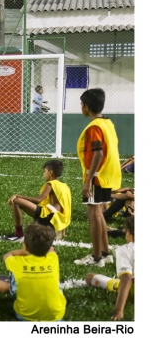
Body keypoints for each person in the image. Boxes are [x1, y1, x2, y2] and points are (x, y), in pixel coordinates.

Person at [74, 88, 121, 267]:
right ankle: (105, 253)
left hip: (96, 177)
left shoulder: (94, 127)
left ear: (86, 106)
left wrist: (88, 180)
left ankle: (96, 257)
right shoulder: (107, 122)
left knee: (93, 214)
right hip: (107, 175)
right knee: (99, 214)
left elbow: (98, 154)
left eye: (81, 104)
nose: (81, 108)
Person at [3, 222, 66, 321]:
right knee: (58, 286)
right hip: (56, 315)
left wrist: (25, 252)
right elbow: (51, 249)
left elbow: (7, 255)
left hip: (25, 315)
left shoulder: (16, 261)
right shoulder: (53, 257)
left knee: (13, 272)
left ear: (25, 245)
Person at [2, 159, 72, 241]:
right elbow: (65, 208)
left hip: (49, 217)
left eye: (45, 171)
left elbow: (38, 200)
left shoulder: (51, 184)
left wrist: (17, 195)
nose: (44, 173)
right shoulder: (65, 186)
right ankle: (54, 231)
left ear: (50, 173)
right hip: (56, 219)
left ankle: (18, 234)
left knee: (16, 201)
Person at [85, 216, 134, 321]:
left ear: (129, 233)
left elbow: (126, 279)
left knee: (89, 277)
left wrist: (119, 310)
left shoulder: (125, 249)